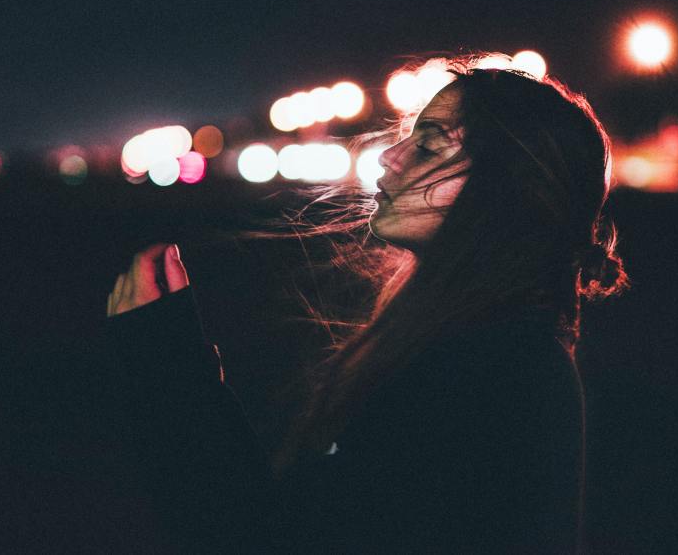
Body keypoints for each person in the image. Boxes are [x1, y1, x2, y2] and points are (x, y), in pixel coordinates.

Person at [103, 56, 630, 553]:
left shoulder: (490, 372)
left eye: (429, 146)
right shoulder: (491, 350)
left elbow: (267, 539)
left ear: (506, 190)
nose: (389, 156)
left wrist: (166, 365)